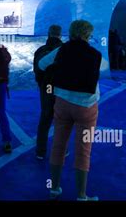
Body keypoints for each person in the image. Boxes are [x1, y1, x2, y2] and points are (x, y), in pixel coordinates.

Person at [39, 20, 101, 201]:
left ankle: (55, 188)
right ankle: (81, 195)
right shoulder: (95, 54)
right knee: (83, 151)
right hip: (86, 106)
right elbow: (104, 70)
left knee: (58, 146)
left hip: (62, 103)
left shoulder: (61, 50)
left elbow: (42, 64)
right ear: (87, 35)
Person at [33, 25, 63, 160]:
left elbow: (37, 71)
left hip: (46, 88)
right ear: (60, 35)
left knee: (45, 118)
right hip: (61, 89)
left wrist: (42, 84)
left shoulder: (40, 50)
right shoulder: (65, 50)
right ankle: (62, 150)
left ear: (48, 34)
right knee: (61, 120)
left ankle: (40, 151)